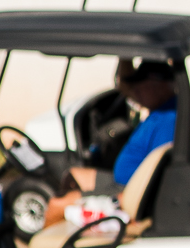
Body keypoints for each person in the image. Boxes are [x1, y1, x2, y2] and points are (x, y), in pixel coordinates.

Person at [42, 61, 182, 226]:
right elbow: (124, 86)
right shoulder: (162, 109)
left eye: (140, 84)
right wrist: (125, 57)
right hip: (122, 182)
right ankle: (76, 222)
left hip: (129, 192)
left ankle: (53, 239)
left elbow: (158, 174)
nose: (135, 90)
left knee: (56, 205)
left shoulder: (168, 120)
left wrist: (120, 200)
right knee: (73, 175)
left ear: (159, 84)